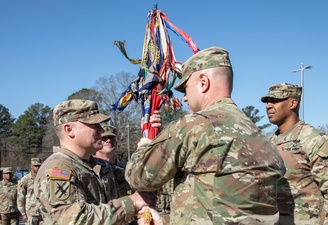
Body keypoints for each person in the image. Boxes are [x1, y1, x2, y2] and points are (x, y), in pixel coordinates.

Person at [125, 46, 286, 224]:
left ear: (203, 82)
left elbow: (139, 177)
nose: (185, 98)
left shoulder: (192, 126)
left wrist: (145, 147)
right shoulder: (259, 136)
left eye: (185, 88)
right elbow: (229, 209)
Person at [34, 99, 156, 224]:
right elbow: (74, 219)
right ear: (69, 130)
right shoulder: (57, 169)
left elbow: (144, 180)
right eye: (93, 125)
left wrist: (152, 139)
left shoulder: (102, 167)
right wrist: (131, 203)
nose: (101, 130)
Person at [261, 83, 328, 224]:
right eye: (267, 102)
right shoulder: (269, 142)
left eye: (275, 101)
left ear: (293, 103)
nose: (268, 106)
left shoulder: (313, 140)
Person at [17, 158, 43, 225]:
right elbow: (20, 197)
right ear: (31, 166)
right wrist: (23, 213)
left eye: (39, 166)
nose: (37, 167)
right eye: (35, 166)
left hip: (43, 213)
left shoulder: (44, 178)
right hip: (31, 213)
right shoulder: (25, 180)